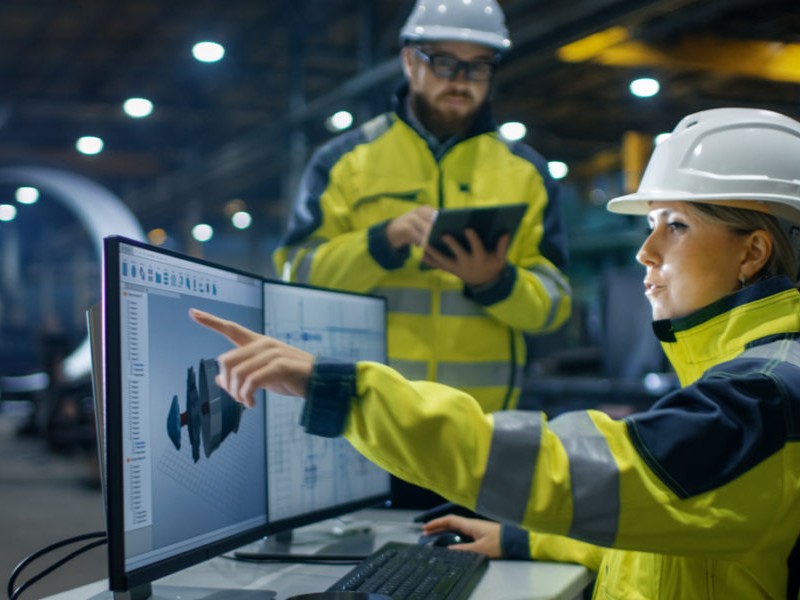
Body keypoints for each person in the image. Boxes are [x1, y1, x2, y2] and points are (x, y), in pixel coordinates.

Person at [192, 107, 800, 598]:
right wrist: (526, 542)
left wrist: (344, 390)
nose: (645, 250)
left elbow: (597, 474)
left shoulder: (762, 398)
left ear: (752, 253)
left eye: (676, 224)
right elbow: (673, 523)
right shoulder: (752, 376)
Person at [273, 0, 571, 416]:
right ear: (410, 61)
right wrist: (383, 241)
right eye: (445, 63)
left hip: (480, 427)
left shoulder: (527, 172)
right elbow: (296, 275)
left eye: (479, 66)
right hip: (370, 418)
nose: (462, 81)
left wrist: (496, 282)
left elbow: (555, 303)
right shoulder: (344, 161)